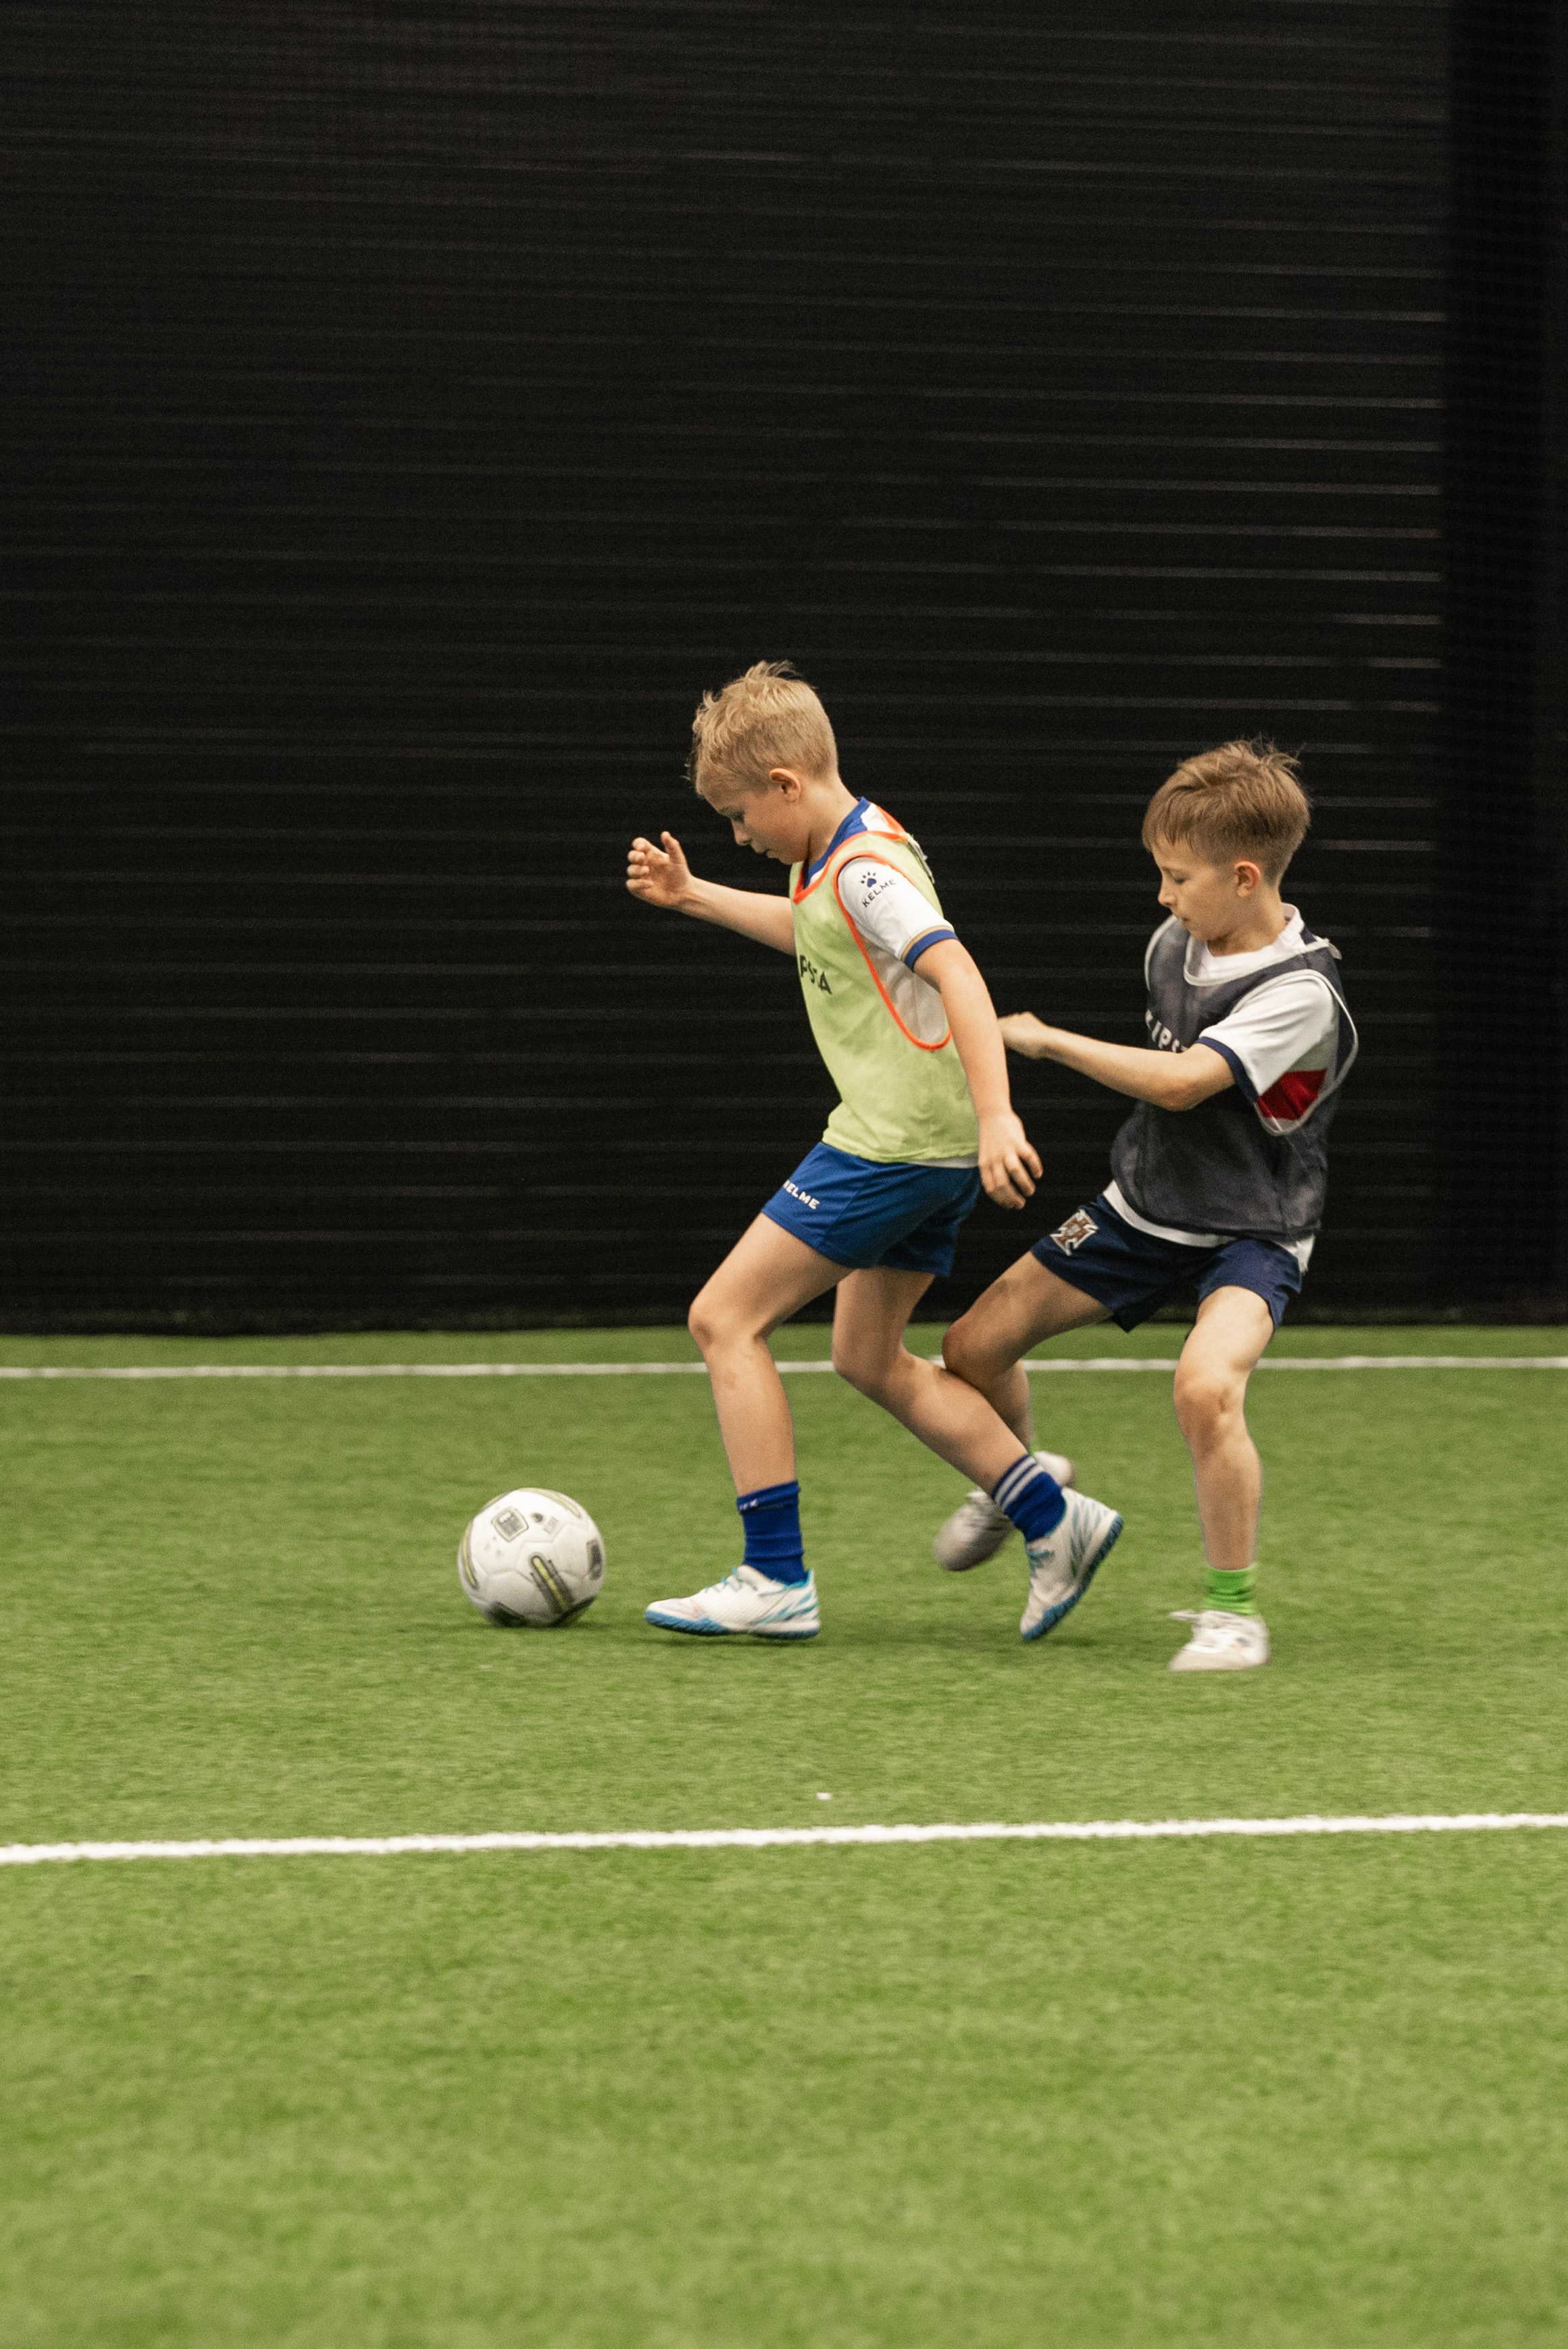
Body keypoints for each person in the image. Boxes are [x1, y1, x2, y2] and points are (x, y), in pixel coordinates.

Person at [626, 661, 1123, 1641]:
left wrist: (998, 1115)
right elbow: (819, 932)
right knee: (866, 1355)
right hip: (921, 1149)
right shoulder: (844, 851)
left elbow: (959, 971)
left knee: (723, 1319)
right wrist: (697, 897)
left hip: (890, 1147)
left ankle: (775, 1578)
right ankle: (1052, 1519)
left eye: (738, 816)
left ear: (786, 785)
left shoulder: (863, 868)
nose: (737, 836)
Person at [932, 739, 1356, 1671]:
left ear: (1245, 877)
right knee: (969, 1347)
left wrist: (1044, 1040)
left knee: (1205, 1388)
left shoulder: (1300, 995)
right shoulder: (1174, 943)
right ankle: (1029, 1487)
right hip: (1142, 1207)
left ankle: (1233, 1612)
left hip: (1253, 1233)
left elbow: (1179, 1084)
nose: (1163, 896)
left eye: (1177, 876)